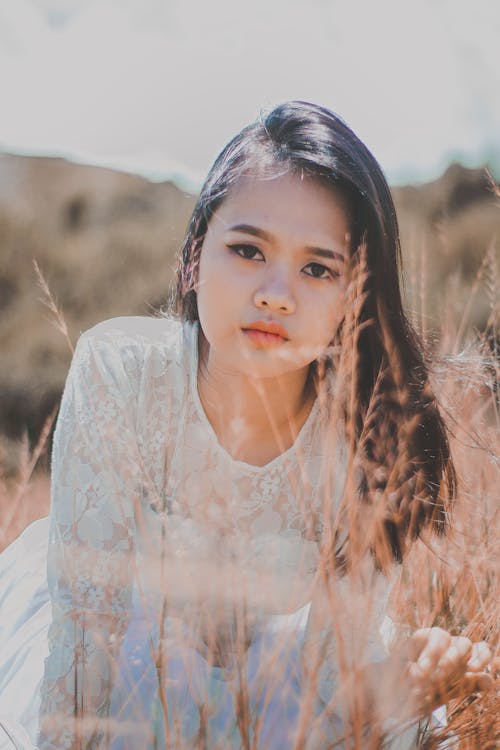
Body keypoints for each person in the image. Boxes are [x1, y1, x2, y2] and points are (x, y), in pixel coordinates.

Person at [0, 101, 492, 750]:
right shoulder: (122, 374)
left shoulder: (364, 426)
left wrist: (383, 697)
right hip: (113, 653)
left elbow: (326, 679)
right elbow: (87, 651)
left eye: (318, 268)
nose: (276, 292)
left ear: (354, 298)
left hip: (278, 672)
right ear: (194, 257)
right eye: (248, 250)